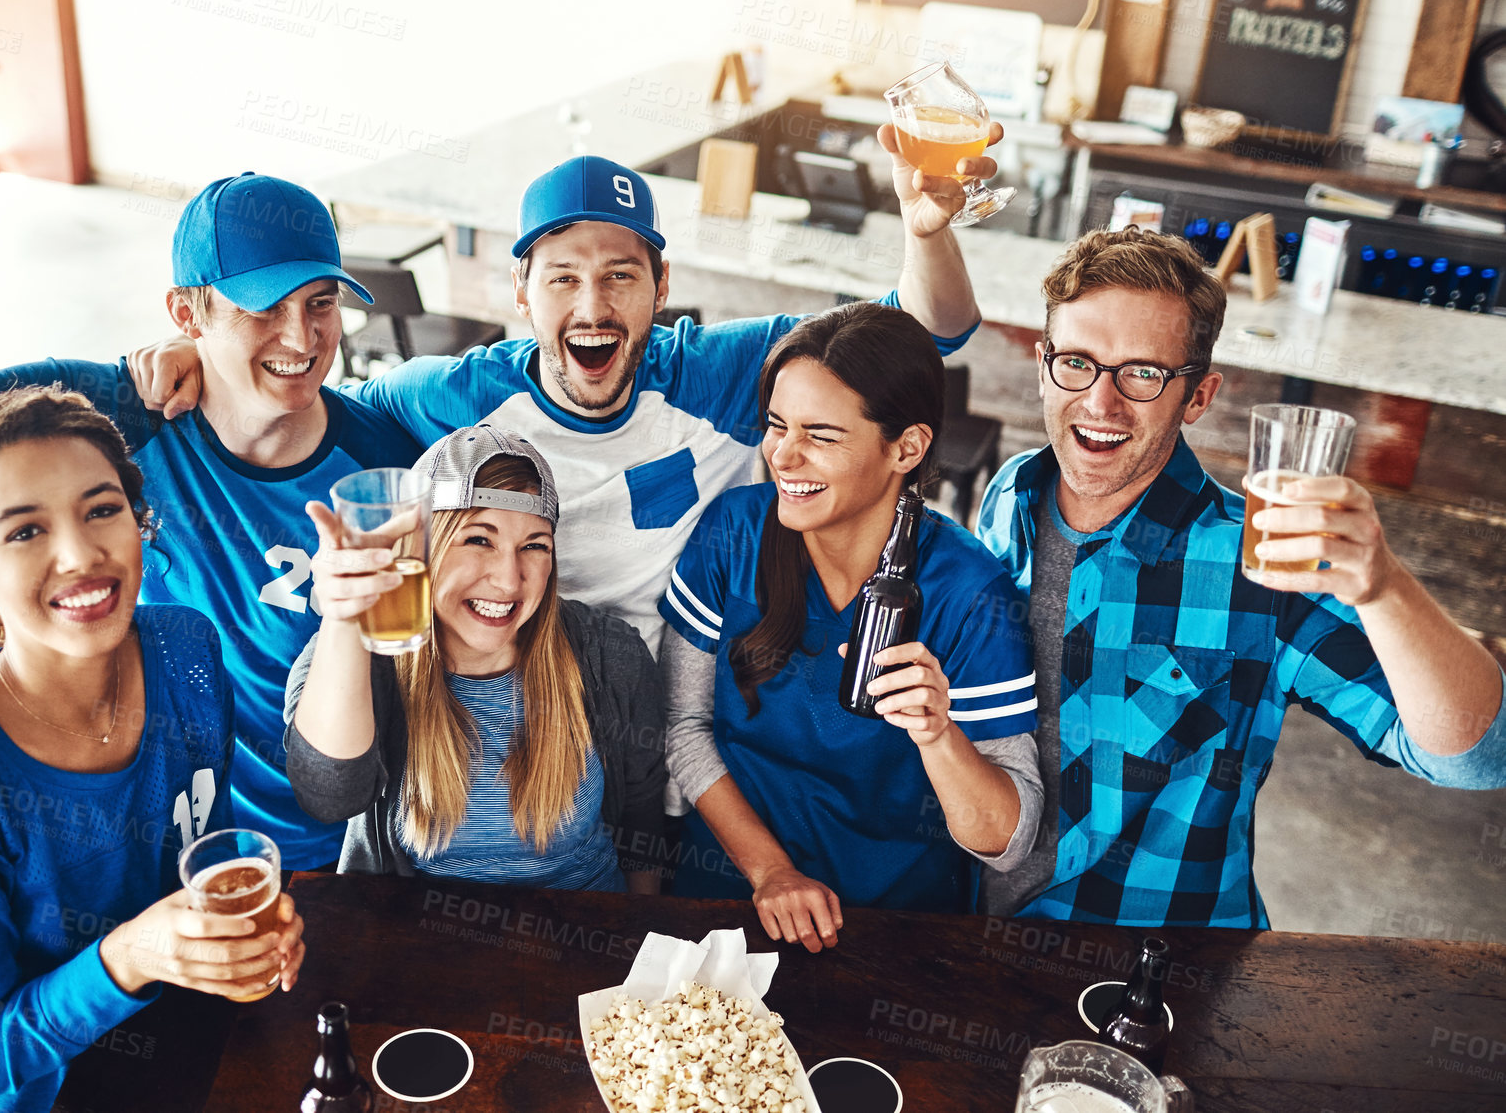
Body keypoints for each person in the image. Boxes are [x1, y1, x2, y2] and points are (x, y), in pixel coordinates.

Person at [128, 131, 1001, 657]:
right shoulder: (455, 397)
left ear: (662, 285)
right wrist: (201, 353)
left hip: (687, 706)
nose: (593, 307)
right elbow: (303, 392)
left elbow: (928, 329)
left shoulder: (715, 372)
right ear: (520, 293)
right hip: (521, 694)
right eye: (563, 278)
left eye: (622, 276)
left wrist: (927, 232)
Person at [0, 158, 422, 872]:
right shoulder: (115, 417)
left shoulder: (383, 465)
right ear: (187, 313)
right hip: (174, 858)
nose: (302, 340)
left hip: (354, 852)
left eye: (321, 304)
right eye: (263, 310)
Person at [974, 227, 1506, 926]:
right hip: (972, 927)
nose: (1100, 404)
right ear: (1045, 365)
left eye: (1143, 374)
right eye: (1077, 362)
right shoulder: (1011, 494)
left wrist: (1383, 587)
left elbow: (1474, 758)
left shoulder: (1262, 560)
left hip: (1150, 963)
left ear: (1198, 396)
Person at [0, 388, 306, 1113]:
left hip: (157, 1056)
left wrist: (234, 934)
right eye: (25, 532)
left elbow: (195, 852)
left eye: (101, 510)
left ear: (139, 520)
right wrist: (128, 955)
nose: (81, 555)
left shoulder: (186, 650)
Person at [659, 302, 1042, 950]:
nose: (784, 455)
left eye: (822, 435)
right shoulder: (731, 533)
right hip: (728, 894)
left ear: (907, 448)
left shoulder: (970, 594)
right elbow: (683, 729)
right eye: (777, 425)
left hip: (892, 926)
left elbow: (1007, 842)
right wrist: (770, 871)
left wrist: (938, 734)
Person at [282, 425, 667, 889]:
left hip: (586, 938)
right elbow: (329, 796)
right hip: (424, 942)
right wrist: (345, 619)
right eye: (478, 540)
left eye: (534, 546)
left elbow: (644, 826)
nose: (509, 580)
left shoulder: (609, 655)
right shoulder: (358, 655)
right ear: (423, 548)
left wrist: (640, 939)